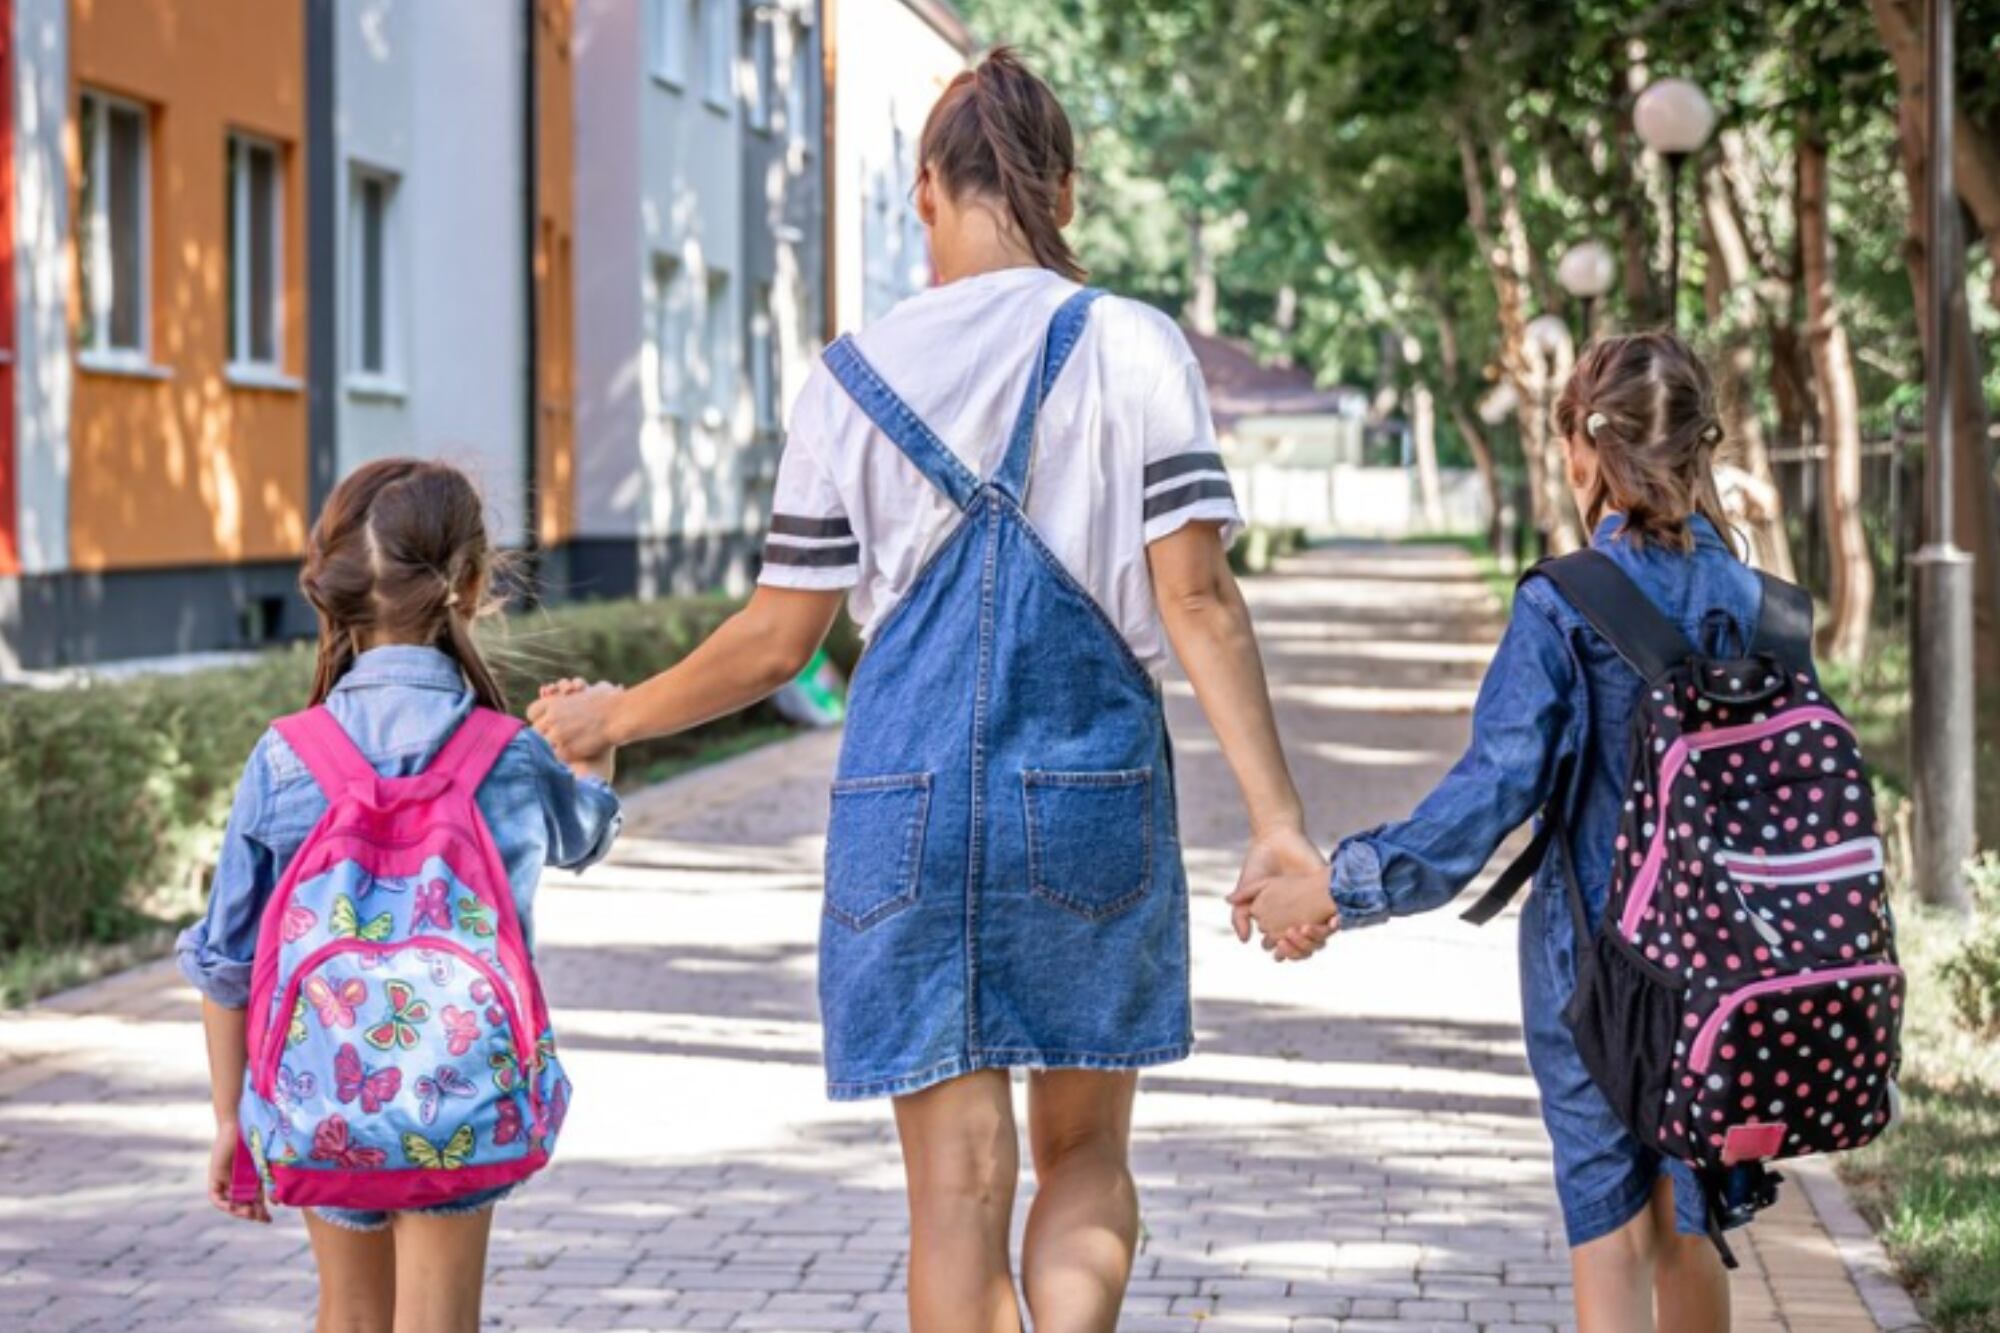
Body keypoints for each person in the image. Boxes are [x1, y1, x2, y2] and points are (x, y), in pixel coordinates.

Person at [529, 47, 1320, 1333]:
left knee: (952, 1194)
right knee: (1082, 1161)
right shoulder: (1132, 344)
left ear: (924, 196)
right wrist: (1275, 820)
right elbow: (1195, 601)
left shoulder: (847, 376)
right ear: (1063, 189)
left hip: (901, 804)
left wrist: (608, 715)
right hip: (1086, 789)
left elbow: (777, 640)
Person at [1237, 332, 1747, 1333]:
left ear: (1582, 452)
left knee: (1607, 1220)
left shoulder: (1563, 603)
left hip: (1594, 963)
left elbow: (1491, 792)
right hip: (1725, 962)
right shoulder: (1756, 602)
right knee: (1691, 1218)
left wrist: (1340, 886)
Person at [176, 459, 622, 1333]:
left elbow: (226, 961)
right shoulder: (506, 752)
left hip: (316, 1094)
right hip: (460, 1093)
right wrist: (595, 762)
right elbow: (584, 835)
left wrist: (232, 1118)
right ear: (471, 583)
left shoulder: (286, 755)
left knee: (347, 1315)